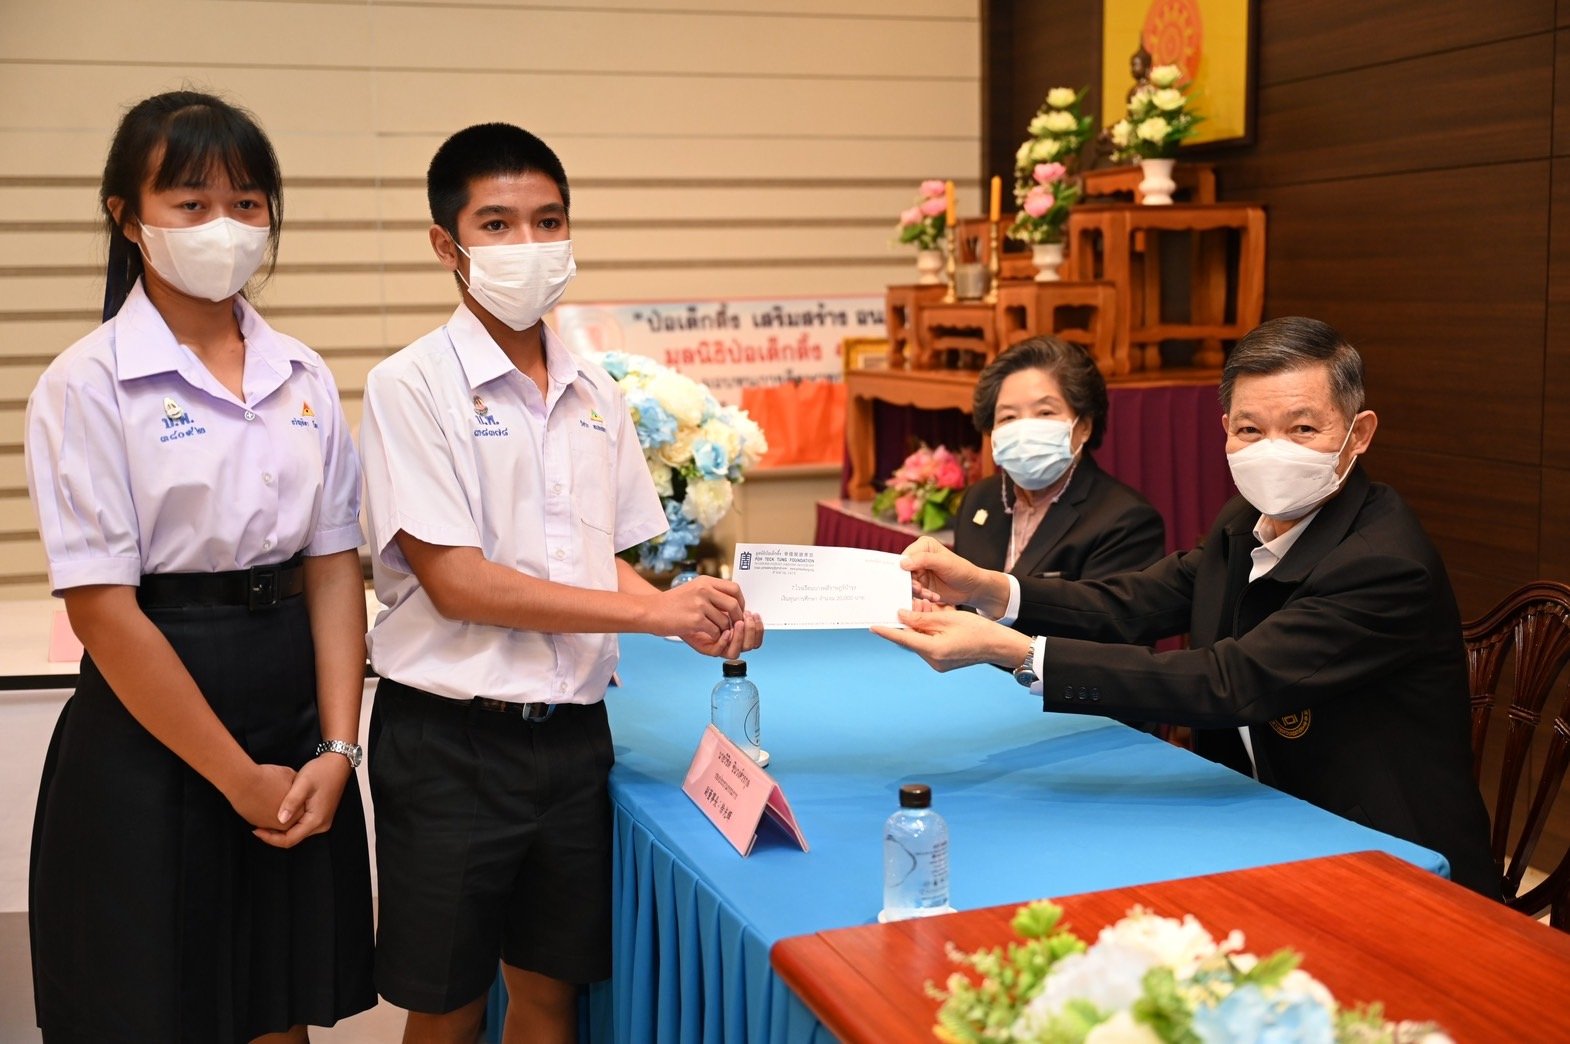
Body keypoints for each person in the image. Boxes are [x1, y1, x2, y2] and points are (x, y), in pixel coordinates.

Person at [358, 122, 763, 1044]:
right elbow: (458, 584)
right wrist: (650, 616)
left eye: (548, 221)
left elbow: (598, 557)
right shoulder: (410, 386)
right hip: (451, 739)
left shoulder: (595, 391)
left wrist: (689, 613)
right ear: (446, 245)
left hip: (574, 737)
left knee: (551, 995)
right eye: (497, 225)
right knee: (450, 1006)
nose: (529, 245)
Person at [875, 317, 1500, 898]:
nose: (1273, 449)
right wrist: (989, 588)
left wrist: (1013, 651)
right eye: (1250, 430)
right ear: (1224, 429)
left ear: (1358, 434)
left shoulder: (1383, 562)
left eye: (1303, 429)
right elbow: (1135, 602)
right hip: (1256, 815)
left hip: (1384, 852)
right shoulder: (1245, 519)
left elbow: (1229, 682)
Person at [25, 91, 375, 1042]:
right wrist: (236, 777)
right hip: (155, 726)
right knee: (156, 1011)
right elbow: (103, 611)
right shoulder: (87, 382)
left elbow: (333, 568)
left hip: (295, 722)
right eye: (191, 202)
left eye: (246, 202)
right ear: (126, 218)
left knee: (279, 1013)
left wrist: (337, 750)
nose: (225, 225)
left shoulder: (301, 373)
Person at [954, 336, 1165, 584]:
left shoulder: (1125, 520)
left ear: (1083, 426)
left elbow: (1098, 609)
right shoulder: (979, 499)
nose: (1025, 430)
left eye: (1045, 412)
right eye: (1008, 417)